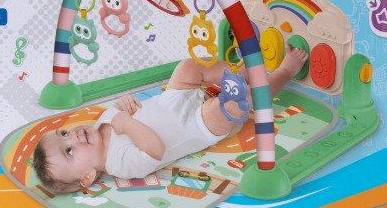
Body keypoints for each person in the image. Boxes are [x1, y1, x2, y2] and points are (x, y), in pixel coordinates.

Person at [33, 47, 308, 194]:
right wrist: (126, 124)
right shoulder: (120, 164)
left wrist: (125, 103)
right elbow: (155, 149)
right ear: (88, 176)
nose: (73, 137)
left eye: (63, 134)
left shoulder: (100, 124)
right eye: (69, 151)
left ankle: (234, 75)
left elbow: (131, 109)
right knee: (236, 103)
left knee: (187, 67)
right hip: (198, 124)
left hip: (175, 98)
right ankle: (283, 73)